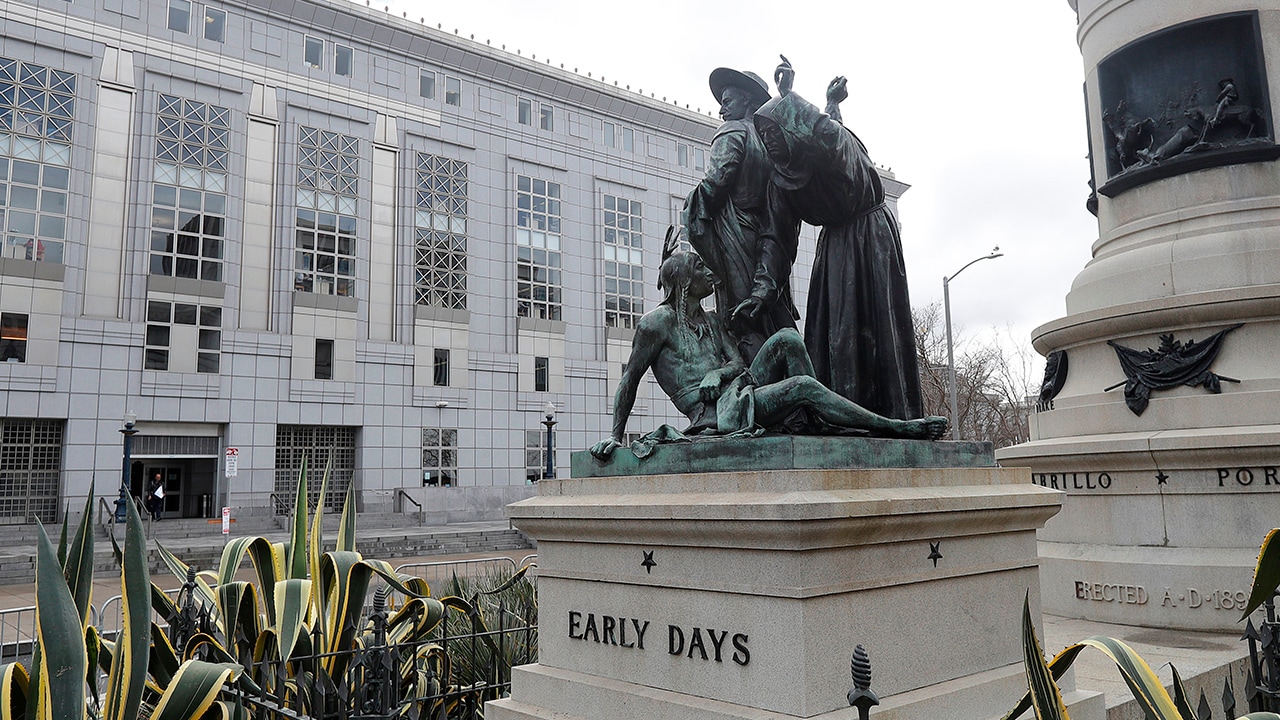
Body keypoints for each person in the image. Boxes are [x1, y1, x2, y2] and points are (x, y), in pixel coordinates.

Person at [589, 251, 947, 459]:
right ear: (683, 279)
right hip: (715, 413)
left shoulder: (712, 322)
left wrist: (720, 374)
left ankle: (813, 422)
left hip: (736, 387)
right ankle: (896, 427)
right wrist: (617, 437)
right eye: (700, 267)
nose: (710, 273)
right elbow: (629, 378)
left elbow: (738, 363)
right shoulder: (655, 325)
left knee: (788, 338)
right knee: (803, 386)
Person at [750, 57, 923, 421]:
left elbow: (829, 136)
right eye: (763, 136)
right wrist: (763, 287)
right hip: (835, 251)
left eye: (773, 132)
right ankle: (838, 418)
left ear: (791, 126)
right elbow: (776, 236)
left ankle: (889, 418)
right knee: (837, 338)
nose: (769, 142)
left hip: (871, 238)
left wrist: (792, 97)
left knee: (875, 333)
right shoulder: (781, 180)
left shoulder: (827, 144)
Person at [682, 67, 798, 363]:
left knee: (742, 318)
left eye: (728, 100)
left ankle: (759, 387)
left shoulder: (732, 131)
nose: (721, 109)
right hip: (765, 241)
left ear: (747, 101)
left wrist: (692, 207)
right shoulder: (769, 143)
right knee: (768, 315)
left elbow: (717, 181)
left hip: (736, 236)